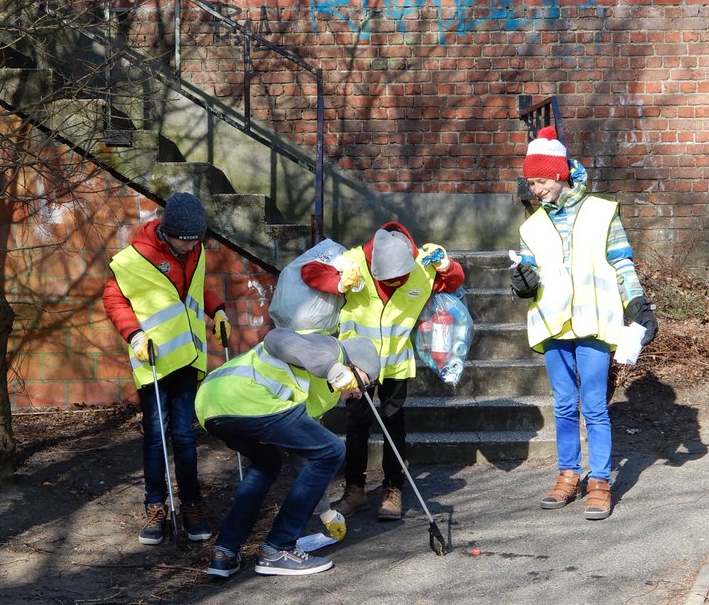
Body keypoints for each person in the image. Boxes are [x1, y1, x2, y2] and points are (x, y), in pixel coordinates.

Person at [511, 126, 659, 520]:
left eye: (540, 181)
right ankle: (568, 474)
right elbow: (527, 270)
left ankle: (599, 481)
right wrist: (523, 283)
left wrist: (637, 303)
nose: (536, 189)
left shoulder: (601, 211)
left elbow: (621, 262)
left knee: (593, 405)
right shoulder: (531, 226)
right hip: (552, 321)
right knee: (562, 405)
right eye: (531, 182)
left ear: (559, 175)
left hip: (594, 321)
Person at [301, 222, 464, 521]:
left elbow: (453, 280)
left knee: (393, 426)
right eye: (388, 281)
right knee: (356, 424)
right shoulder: (354, 261)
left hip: (396, 362)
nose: (395, 284)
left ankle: (393, 490)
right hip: (358, 363)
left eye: (401, 280)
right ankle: (355, 490)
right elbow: (309, 270)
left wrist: (447, 264)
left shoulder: (421, 266)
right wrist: (337, 282)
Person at [195, 329, 380, 577]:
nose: (359, 393)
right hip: (246, 399)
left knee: (267, 463)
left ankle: (225, 551)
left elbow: (304, 456)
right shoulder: (330, 350)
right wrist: (332, 367)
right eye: (364, 382)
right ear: (352, 364)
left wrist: (325, 511)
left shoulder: (323, 389)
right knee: (333, 449)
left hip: (213, 404)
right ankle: (278, 548)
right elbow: (276, 337)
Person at [102, 192, 230, 545]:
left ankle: (192, 505)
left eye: (196, 241)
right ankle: (156, 507)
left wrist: (216, 310)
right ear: (166, 232)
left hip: (187, 357)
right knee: (157, 435)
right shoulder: (133, 260)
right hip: (153, 359)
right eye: (184, 241)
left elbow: (196, 289)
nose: (191, 248)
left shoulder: (196, 251)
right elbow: (113, 299)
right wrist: (135, 335)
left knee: (186, 436)